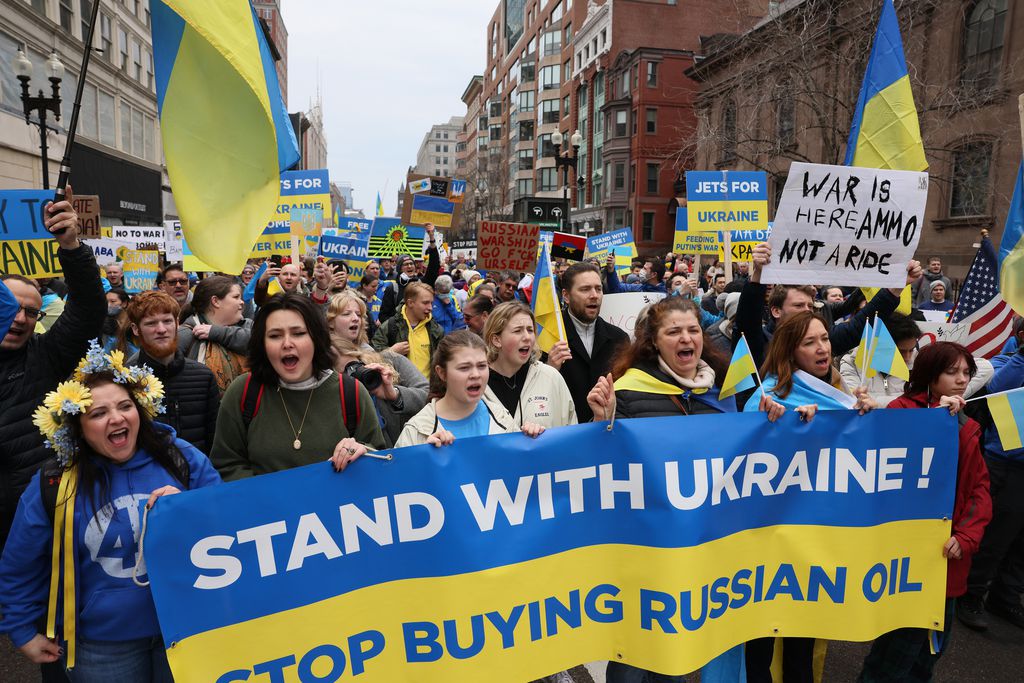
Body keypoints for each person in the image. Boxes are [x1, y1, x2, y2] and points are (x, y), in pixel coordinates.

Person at [0, 344, 221, 681]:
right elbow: (20, 560)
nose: (116, 418)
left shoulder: (181, 458)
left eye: (125, 406)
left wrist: (188, 508)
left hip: (184, 628)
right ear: (79, 426)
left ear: (141, 411)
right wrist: (20, 629)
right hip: (101, 646)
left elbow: (227, 524)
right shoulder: (55, 482)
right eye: (98, 413)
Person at [585, 297, 737, 683]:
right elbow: (604, 467)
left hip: (699, 544)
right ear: (654, 342)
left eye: (693, 330)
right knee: (634, 654)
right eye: (674, 332)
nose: (686, 338)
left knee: (675, 654)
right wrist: (601, 423)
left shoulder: (723, 389)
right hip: (645, 547)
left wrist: (775, 421)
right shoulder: (628, 390)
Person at [743, 311, 876, 683]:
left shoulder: (841, 393)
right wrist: (783, 426)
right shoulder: (767, 394)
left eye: (825, 339)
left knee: (801, 645)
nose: (822, 348)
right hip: (767, 547)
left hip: (814, 544)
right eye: (809, 342)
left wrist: (866, 418)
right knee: (760, 648)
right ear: (789, 351)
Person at [859, 342, 991, 681]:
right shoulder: (903, 410)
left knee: (928, 655)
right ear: (930, 376)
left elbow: (979, 489)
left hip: (945, 561)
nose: (962, 380)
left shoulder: (964, 425)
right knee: (892, 656)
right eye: (952, 372)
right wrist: (931, 422)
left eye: (966, 372)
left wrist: (967, 535)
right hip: (902, 562)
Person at [0, 190, 106, 550]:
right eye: (10, 308)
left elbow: (89, 310)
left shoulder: (48, 355)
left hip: (47, 527)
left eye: (32, 312)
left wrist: (72, 246)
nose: (20, 319)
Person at [211, 293, 385, 480]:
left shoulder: (351, 393)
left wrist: (361, 452)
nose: (287, 344)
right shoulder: (243, 392)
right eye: (275, 336)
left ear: (316, 339)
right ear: (263, 344)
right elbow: (226, 464)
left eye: (298, 333)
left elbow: (379, 460)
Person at [736, 242, 918, 366]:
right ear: (776, 311)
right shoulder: (759, 342)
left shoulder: (823, 340)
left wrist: (896, 287)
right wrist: (759, 272)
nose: (807, 311)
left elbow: (858, 327)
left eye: (810, 306)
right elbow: (747, 319)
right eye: (799, 306)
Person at [958, 329, 1024, 632]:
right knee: (995, 536)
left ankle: (1005, 597)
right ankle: (970, 594)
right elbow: (997, 387)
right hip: (1006, 462)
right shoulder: (1007, 361)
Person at [395, 331, 545, 447]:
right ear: (442, 373)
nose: (475, 375)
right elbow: (400, 484)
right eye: (464, 368)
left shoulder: (502, 419)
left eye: (481, 366)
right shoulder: (416, 430)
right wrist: (423, 457)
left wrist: (532, 440)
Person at [328, 292, 429, 448]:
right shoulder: (320, 367)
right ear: (330, 322)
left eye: (359, 314)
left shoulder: (388, 360)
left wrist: (394, 394)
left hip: (398, 450)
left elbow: (427, 394)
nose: (355, 318)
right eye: (346, 314)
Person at [126, 291, 220, 454]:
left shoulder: (203, 376)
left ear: (177, 323)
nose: (161, 329)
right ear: (135, 328)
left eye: (167, 321)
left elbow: (215, 439)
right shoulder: (126, 380)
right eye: (151, 323)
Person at [839, 315, 993, 405]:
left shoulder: (920, 359)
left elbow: (985, 367)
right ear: (879, 346)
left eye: (911, 350)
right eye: (900, 352)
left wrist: (946, 396)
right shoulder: (852, 362)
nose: (907, 358)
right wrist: (921, 401)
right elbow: (853, 401)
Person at [547, 262, 629, 423]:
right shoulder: (549, 337)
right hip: (564, 434)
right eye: (585, 289)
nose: (594, 295)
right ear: (566, 296)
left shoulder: (619, 338)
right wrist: (549, 368)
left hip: (607, 431)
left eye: (598, 289)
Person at [482, 302, 576, 428]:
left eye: (530, 330)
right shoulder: (478, 384)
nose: (527, 337)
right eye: (517, 331)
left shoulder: (551, 377)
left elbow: (571, 431)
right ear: (496, 340)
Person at [178, 275, 252, 394]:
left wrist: (217, 332)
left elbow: (259, 342)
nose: (242, 302)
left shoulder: (247, 326)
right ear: (215, 301)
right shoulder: (186, 334)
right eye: (236, 297)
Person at [371, 282, 444, 378]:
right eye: (425, 303)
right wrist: (391, 352)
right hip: (400, 390)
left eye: (431, 303)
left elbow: (442, 364)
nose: (430, 307)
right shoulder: (390, 326)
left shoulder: (436, 330)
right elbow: (372, 359)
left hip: (429, 390)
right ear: (410, 303)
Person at [378, 224, 441, 323]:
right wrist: (399, 326)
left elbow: (434, 265)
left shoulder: (422, 283)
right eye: (406, 264)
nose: (410, 266)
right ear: (399, 269)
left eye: (411, 264)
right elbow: (383, 316)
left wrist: (431, 238)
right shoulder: (393, 289)